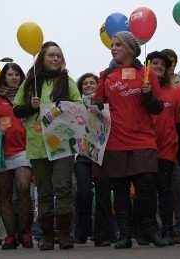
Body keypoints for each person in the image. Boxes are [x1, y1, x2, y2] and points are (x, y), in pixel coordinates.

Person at [93, 31, 165, 249]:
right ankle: (124, 234)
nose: (113, 48)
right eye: (112, 45)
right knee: (121, 190)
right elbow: (97, 105)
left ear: (131, 49)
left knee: (147, 186)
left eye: (118, 45)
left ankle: (150, 230)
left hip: (143, 140)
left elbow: (157, 107)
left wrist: (148, 95)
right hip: (116, 142)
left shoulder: (147, 74)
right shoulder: (106, 76)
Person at [13, 41, 82, 250]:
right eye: (51, 55)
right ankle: (47, 236)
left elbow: (78, 107)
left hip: (62, 144)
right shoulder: (30, 83)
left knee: (63, 187)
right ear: (42, 58)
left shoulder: (67, 81)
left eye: (58, 56)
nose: (55, 59)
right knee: (44, 191)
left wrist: (64, 109)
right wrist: (30, 106)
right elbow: (17, 110)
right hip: (37, 144)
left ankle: (64, 234)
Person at [0, 63, 33, 249]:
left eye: (16, 74)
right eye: (9, 74)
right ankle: (11, 236)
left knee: (23, 186)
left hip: (24, 150)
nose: (13, 77)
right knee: (4, 194)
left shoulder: (28, 96)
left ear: (21, 77)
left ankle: (25, 232)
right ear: (3, 77)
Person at [146, 50, 180, 246]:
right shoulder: (142, 90)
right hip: (145, 147)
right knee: (147, 191)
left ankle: (168, 230)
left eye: (162, 64)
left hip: (168, 149)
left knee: (165, 190)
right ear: (147, 67)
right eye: (154, 63)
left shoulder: (175, 92)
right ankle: (148, 230)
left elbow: (179, 123)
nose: (159, 66)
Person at [73, 73, 98, 244]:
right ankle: (82, 231)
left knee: (103, 194)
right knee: (83, 192)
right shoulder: (75, 105)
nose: (89, 85)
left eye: (92, 83)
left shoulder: (104, 103)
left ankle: (102, 232)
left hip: (101, 153)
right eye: (85, 83)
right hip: (81, 154)